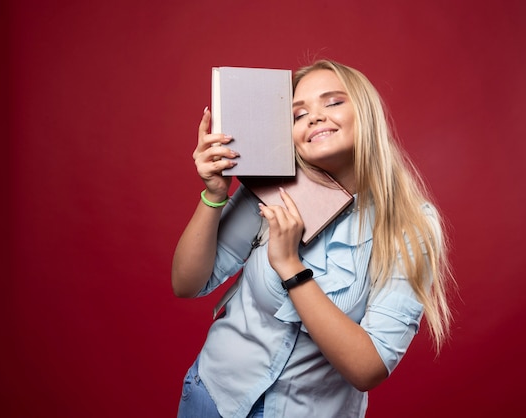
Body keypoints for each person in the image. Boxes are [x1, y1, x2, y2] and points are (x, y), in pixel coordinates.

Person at [172, 59, 452, 418]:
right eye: (297, 114)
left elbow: (368, 367)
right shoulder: (270, 183)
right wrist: (215, 195)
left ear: (366, 114)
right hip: (213, 397)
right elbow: (186, 284)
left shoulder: (410, 223)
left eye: (333, 102)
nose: (314, 118)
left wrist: (291, 266)